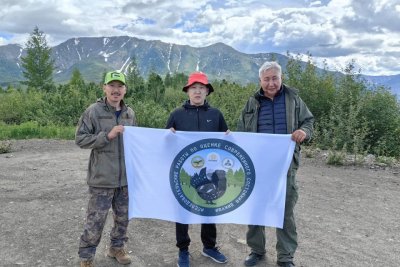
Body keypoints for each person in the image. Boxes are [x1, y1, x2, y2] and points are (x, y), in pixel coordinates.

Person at [237, 61, 314, 267]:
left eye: (275, 78)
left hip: (285, 166)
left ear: (281, 78)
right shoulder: (251, 102)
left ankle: (286, 257)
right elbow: (241, 131)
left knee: (284, 211)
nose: (271, 83)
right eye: (266, 79)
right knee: (256, 209)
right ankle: (257, 250)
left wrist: (304, 132)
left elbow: (309, 121)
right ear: (260, 81)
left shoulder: (294, 100)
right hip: (257, 166)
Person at [166, 71, 229, 267]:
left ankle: (209, 246)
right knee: (182, 209)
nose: (198, 92)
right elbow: (166, 142)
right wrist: (168, 134)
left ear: (207, 92)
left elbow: (226, 142)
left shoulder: (216, 114)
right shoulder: (176, 114)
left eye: (202, 88)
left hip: (210, 172)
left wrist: (230, 136)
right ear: (188, 91)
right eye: (194, 88)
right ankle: (183, 250)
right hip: (184, 173)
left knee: (209, 207)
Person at [75, 71, 136, 267]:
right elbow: (80, 139)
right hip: (102, 178)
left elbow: (137, 143)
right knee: (95, 221)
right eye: (112, 85)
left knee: (123, 219)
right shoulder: (93, 111)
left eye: (120, 86)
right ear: (105, 88)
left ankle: (116, 248)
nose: (116, 90)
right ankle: (86, 257)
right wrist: (106, 136)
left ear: (125, 89)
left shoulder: (130, 113)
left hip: (125, 179)